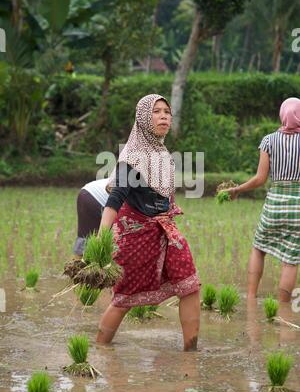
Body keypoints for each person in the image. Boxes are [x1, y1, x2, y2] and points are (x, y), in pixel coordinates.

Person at [96, 94, 201, 351]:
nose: (164, 115)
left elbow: (163, 199)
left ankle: (191, 350)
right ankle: (100, 349)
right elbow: (115, 200)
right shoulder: (132, 157)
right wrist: (100, 242)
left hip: (166, 231)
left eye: (167, 111)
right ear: (143, 118)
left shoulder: (163, 155)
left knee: (190, 284)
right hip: (135, 236)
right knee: (124, 298)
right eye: (156, 111)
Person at [225, 97, 300, 302]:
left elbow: (260, 178)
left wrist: (238, 189)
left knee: (259, 248)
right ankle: (283, 308)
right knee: (290, 260)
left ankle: (250, 298)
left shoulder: (268, 140)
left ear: (282, 115)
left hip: (274, 204)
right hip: (298, 209)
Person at [72, 178, 109, 258]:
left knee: (87, 238)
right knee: (90, 241)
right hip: (96, 198)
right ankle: (78, 267)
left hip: (88, 190)